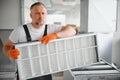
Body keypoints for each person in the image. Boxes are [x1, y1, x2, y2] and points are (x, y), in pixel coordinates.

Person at [3, 2, 76, 80]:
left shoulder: (51, 28)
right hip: (25, 73)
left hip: (45, 72)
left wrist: (55, 35)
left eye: (43, 13)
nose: (41, 16)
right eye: (37, 13)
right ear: (31, 15)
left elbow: (72, 31)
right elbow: (6, 47)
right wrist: (9, 52)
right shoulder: (20, 30)